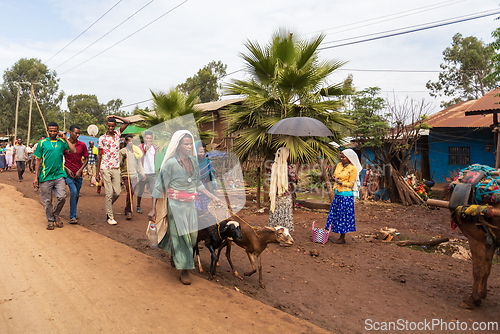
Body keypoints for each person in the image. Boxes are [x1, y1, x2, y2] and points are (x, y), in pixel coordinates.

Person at [148, 130, 220, 285]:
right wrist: (153, 207)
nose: (189, 147)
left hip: (190, 205)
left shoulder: (194, 162)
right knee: (183, 236)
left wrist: (213, 197)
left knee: (192, 237)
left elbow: (198, 184)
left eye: (190, 143)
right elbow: (159, 186)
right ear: (178, 146)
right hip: (175, 205)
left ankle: (175, 253)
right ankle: (185, 270)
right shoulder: (170, 164)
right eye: (185, 144)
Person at [33, 122, 76, 230]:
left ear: (58, 131)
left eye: (55, 131)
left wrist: (65, 138)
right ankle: (50, 220)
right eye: (51, 131)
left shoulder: (61, 142)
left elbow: (73, 150)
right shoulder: (42, 143)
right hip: (45, 176)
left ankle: (56, 214)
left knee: (62, 197)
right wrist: (35, 177)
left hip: (59, 175)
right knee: (47, 201)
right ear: (47, 131)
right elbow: (38, 160)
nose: (53, 133)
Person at [96, 115, 130, 225]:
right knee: (109, 193)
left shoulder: (118, 133)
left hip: (116, 167)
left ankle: (108, 206)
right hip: (105, 167)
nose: (110, 128)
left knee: (118, 192)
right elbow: (99, 156)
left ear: (115, 126)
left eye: (112, 126)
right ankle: (110, 216)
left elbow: (127, 121)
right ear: (107, 126)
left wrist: (114, 116)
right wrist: (97, 172)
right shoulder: (102, 138)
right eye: (109, 126)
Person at [326, 149, 362, 244]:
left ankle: (342, 237)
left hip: (346, 195)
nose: (341, 159)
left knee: (343, 216)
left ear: (349, 158)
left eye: (343, 157)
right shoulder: (339, 165)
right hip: (338, 194)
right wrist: (333, 178)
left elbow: (350, 184)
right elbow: (335, 175)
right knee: (336, 215)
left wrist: (339, 182)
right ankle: (333, 232)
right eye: (341, 157)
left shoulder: (353, 169)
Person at [64, 125, 89, 224]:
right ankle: (72, 216)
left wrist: (80, 170)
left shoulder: (82, 145)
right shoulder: (64, 144)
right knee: (73, 192)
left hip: (78, 174)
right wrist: (66, 168)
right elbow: (58, 158)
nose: (78, 135)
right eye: (76, 133)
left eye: (79, 133)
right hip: (67, 174)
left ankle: (73, 211)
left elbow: (86, 158)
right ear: (70, 132)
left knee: (76, 195)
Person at [268, 147, 297, 232]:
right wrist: (296, 169)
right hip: (285, 195)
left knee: (276, 214)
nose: (289, 157)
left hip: (275, 195)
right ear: (285, 156)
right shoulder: (288, 168)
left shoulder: (272, 166)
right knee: (284, 215)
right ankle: (284, 236)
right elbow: (294, 180)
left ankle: (275, 234)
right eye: (288, 155)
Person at [120, 134, 145, 220]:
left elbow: (139, 164)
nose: (131, 143)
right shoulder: (122, 151)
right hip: (125, 174)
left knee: (132, 192)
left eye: (132, 141)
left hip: (134, 175)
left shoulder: (136, 151)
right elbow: (119, 164)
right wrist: (123, 158)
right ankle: (128, 211)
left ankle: (127, 208)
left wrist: (142, 174)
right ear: (126, 142)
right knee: (129, 191)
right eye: (129, 141)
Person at [136, 131, 158, 214]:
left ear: (152, 138)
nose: (149, 139)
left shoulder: (154, 147)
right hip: (143, 173)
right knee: (141, 190)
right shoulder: (140, 146)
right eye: (147, 138)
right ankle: (138, 206)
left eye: (150, 138)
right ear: (144, 138)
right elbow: (139, 158)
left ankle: (153, 208)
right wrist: (146, 149)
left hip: (152, 174)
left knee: (153, 191)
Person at [194, 141, 216, 212]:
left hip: (204, 192)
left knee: (204, 212)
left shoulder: (206, 162)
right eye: (200, 151)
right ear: (195, 151)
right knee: (196, 212)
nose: (203, 154)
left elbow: (208, 179)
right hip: (193, 192)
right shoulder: (191, 162)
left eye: (204, 151)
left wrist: (211, 193)